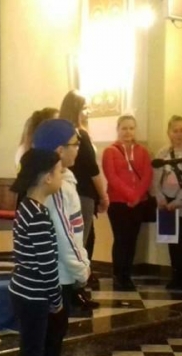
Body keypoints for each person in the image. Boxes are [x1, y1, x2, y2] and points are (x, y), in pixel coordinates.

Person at [8, 148, 76, 356]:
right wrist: (56, 301)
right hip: (34, 296)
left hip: (24, 291)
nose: (62, 176)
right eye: (59, 171)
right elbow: (47, 267)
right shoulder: (37, 214)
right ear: (47, 177)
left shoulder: (27, 206)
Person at [31, 119, 89, 356]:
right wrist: (82, 269)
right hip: (58, 275)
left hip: (61, 273)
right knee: (50, 339)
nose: (79, 149)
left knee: (55, 337)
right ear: (59, 150)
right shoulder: (57, 187)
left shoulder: (64, 180)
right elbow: (66, 235)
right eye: (75, 144)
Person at [59, 91, 110, 287]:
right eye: (85, 107)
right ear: (77, 109)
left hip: (66, 191)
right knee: (79, 242)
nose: (88, 111)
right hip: (82, 195)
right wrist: (103, 195)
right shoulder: (80, 135)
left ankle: (77, 286)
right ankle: (76, 289)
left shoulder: (62, 133)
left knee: (74, 240)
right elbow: (92, 170)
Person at [102, 115, 152, 291]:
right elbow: (112, 176)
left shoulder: (143, 151)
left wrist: (137, 196)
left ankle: (127, 275)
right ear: (118, 130)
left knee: (132, 240)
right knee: (121, 239)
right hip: (118, 203)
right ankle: (118, 275)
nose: (128, 132)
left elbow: (147, 175)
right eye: (124, 128)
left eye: (131, 128)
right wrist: (130, 195)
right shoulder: (110, 151)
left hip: (139, 202)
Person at [152, 115, 182, 291]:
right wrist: (160, 197)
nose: (179, 134)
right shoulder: (162, 153)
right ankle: (176, 276)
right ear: (169, 132)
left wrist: (179, 201)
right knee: (170, 240)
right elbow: (155, 179)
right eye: (175, 131)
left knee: (179, 239)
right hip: (165, 200)